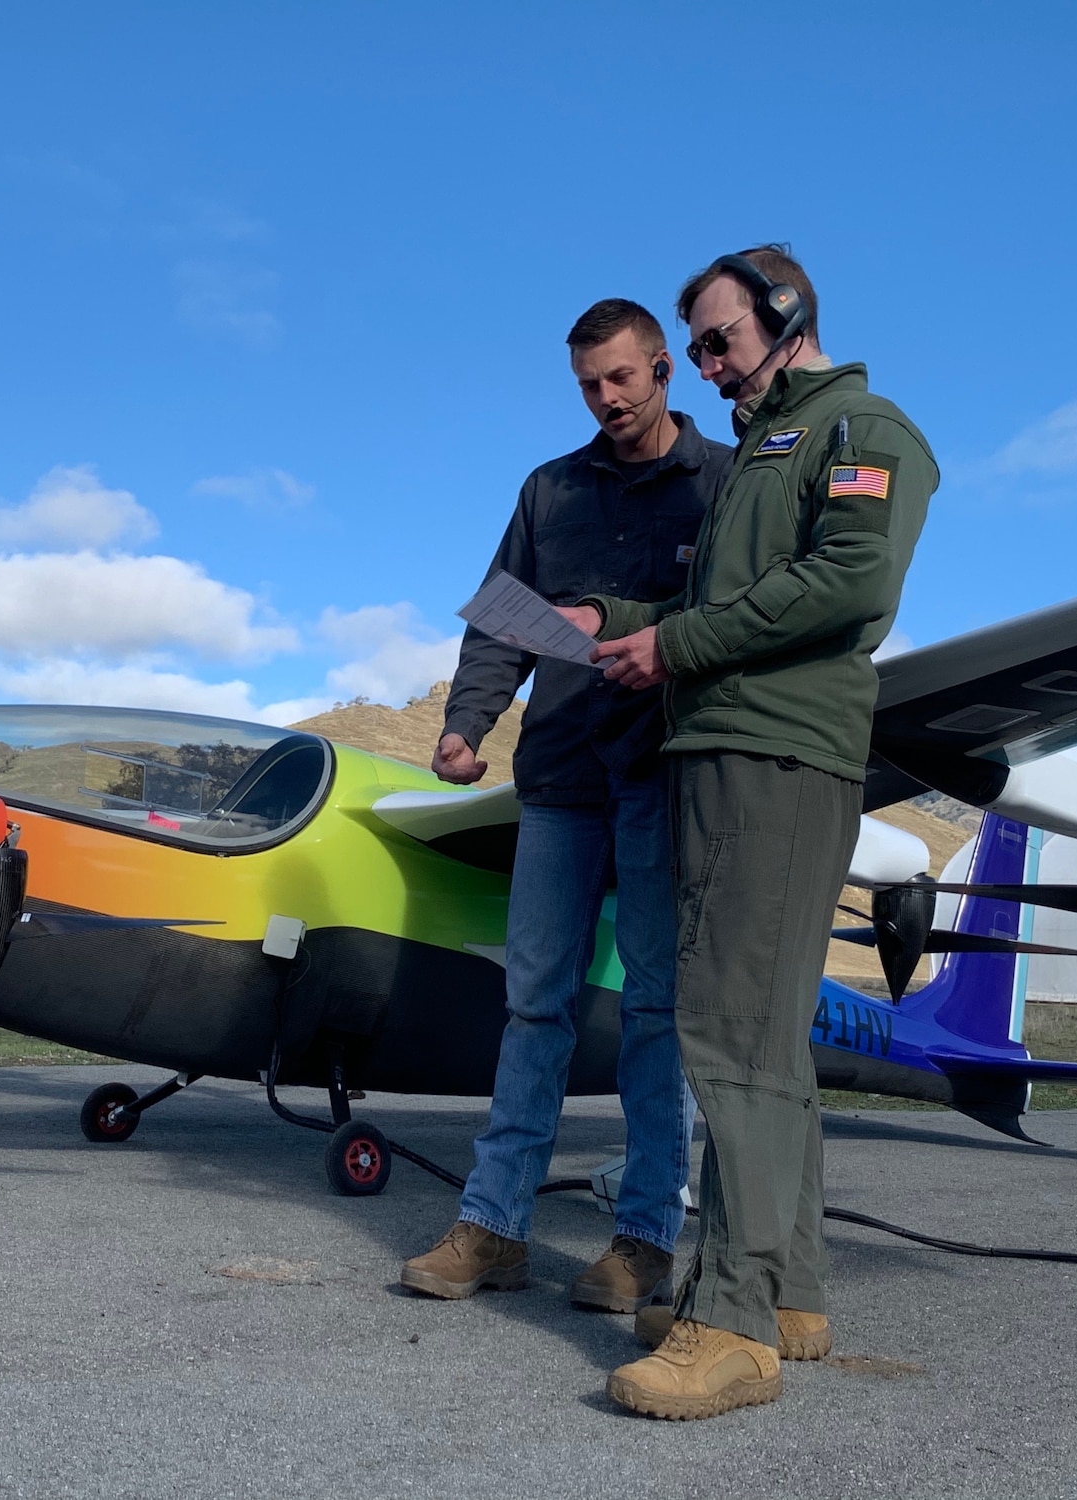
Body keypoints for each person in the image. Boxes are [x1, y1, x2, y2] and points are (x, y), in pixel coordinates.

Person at [563, 246, 937, 1419]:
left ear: (787, 317)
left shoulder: (861, 431)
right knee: (766, 1040)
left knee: (728, 1035)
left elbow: (846, 590)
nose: (708, 368)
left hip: (772, 755)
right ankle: (786, 1294)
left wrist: (672, 648)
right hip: (723, 746)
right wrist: (619, 619)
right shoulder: (761, 456)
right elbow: (719, 602)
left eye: (719, 341)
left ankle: (725, 1326)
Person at [399, 298, 732, 1313]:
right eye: (588, 385)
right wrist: (469, 724)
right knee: (531, 1004)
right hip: (557, 780)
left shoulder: (722, 484)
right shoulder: (548, 489)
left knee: (648, 1011)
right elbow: (501, 625)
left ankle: (641, 1241)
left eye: (621, 379)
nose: (606, 399)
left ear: (662, 369)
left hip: (657, 774)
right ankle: (493, 1226)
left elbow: (738, 614)